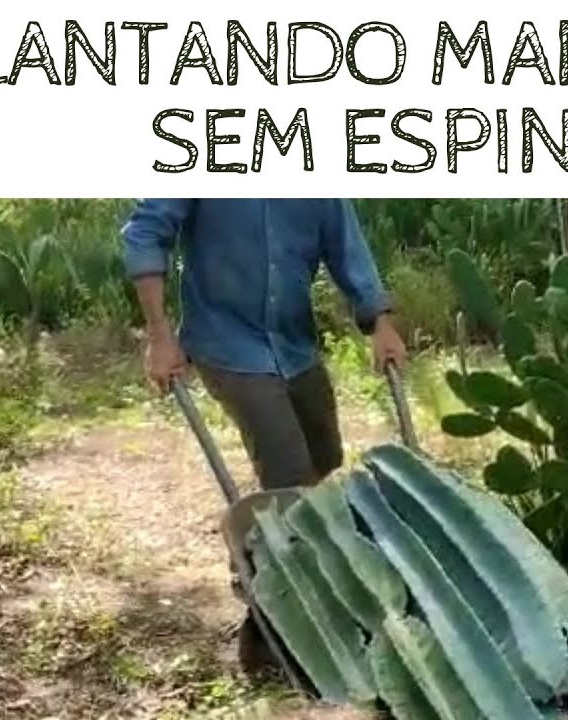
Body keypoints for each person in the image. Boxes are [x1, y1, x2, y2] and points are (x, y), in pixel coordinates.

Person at [121, 199, 407, 665]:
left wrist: (381, 324)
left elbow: (347, 249)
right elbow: (144, 234)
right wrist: (159, 336)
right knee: (288, 478)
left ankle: (301, 584)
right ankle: (267, 631)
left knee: (324, 464)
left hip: (294, 346)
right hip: (226, 345)